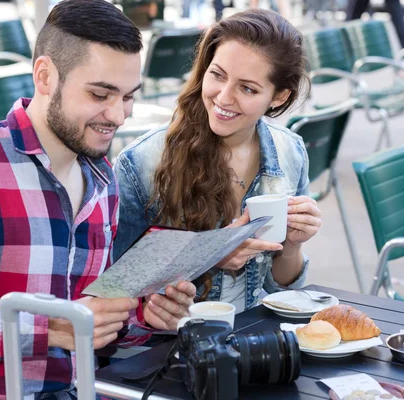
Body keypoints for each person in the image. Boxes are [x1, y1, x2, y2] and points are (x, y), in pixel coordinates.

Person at [0, 0, 195, 398]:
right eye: (100, 94)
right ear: (44, 76)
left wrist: (143, 315)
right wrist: (53, 329)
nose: (119, 116)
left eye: (129, 97)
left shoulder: (101, 177)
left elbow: (90, 317)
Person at [113, 9, 322, 314]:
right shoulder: (141, 162)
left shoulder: (291, 151)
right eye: (218, 75)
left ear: (278, 97)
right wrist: (209, 256)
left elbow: (282, 287)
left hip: (252, 340)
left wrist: (292, 245)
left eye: (247, 88)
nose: (224, 97)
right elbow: (115, 287)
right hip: (169, 347)